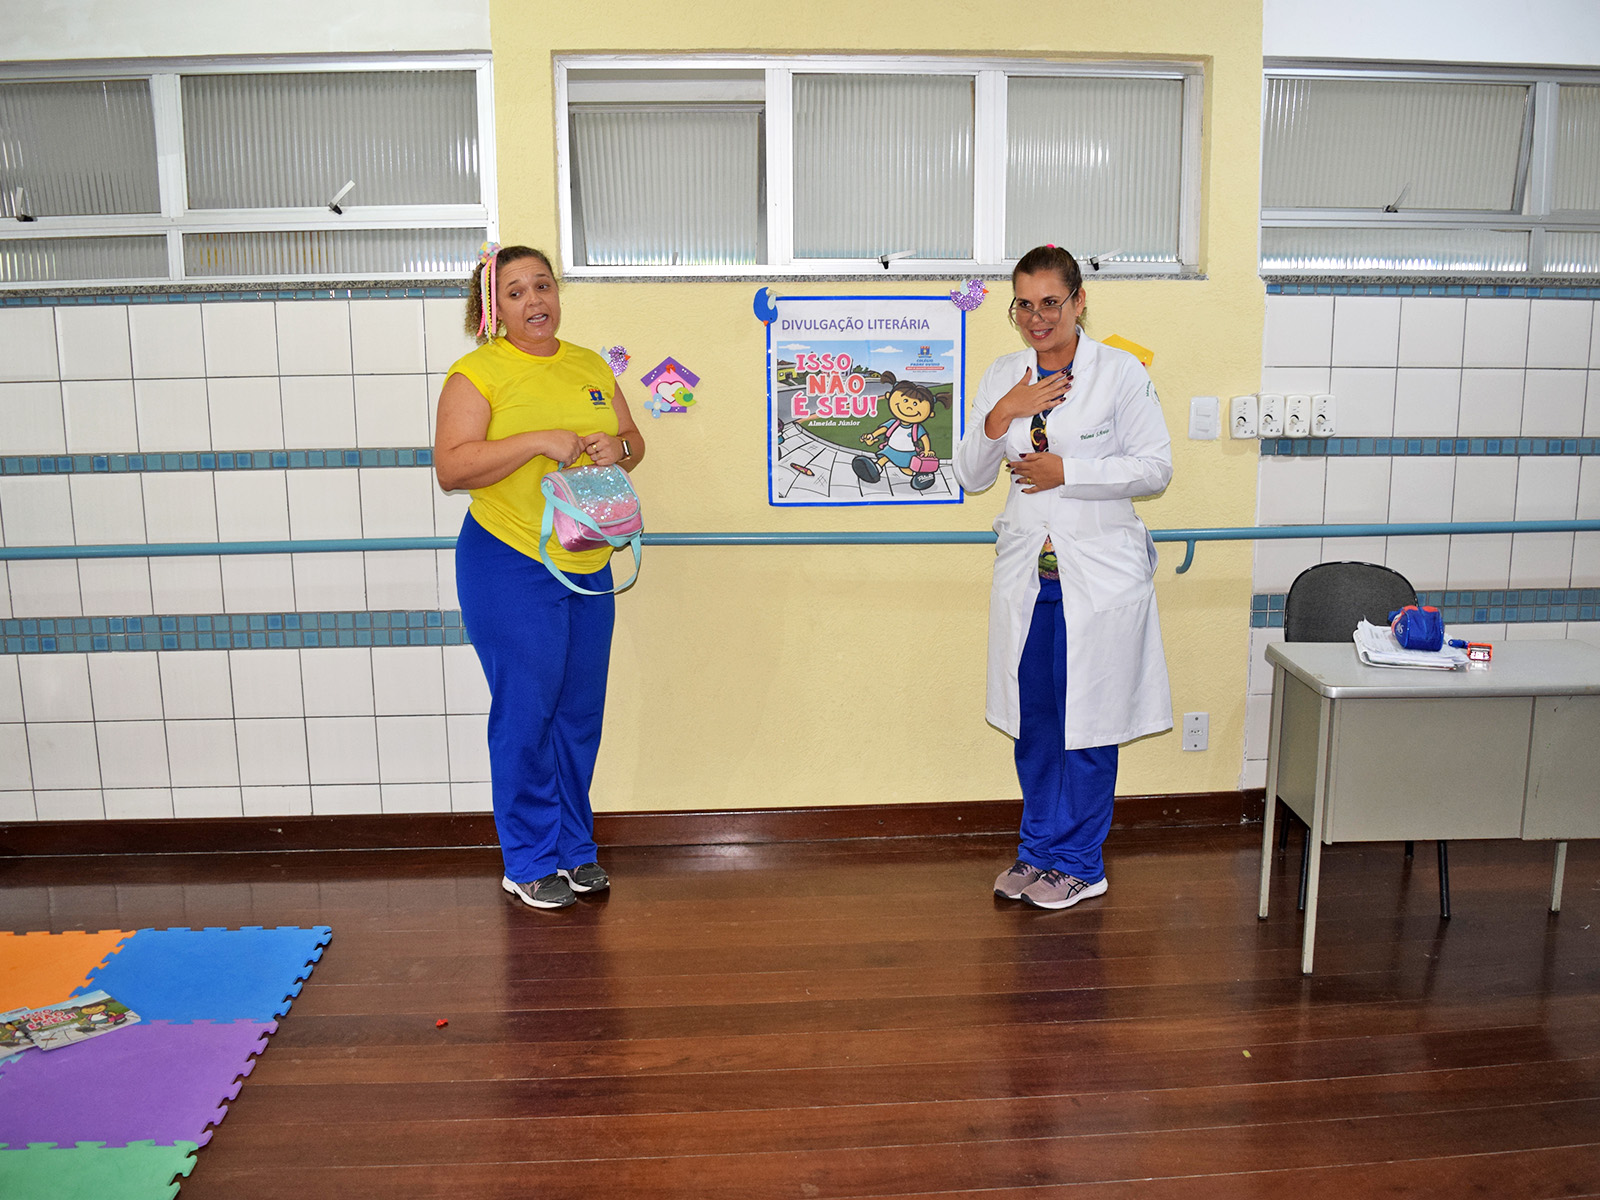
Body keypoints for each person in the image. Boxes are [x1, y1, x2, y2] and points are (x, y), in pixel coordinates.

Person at [952, 245, 1172, 910]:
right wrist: (1004, 411)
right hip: (1032, 580)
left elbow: (1154, 468)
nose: (1037, 317)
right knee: (1038, 724)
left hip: (1098, 580)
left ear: (1079, 301)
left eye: (1051, 302)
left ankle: (1080, 863)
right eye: (1024, 304)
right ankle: (1039, 852)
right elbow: (971, 474)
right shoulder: (1004, 374)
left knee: (1089, 725)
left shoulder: (1119, 372)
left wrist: (1067, 473)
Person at [433, 244, 645, 911]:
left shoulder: (589, 366)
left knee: (578, 715)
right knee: (527, 713)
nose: (535, 300)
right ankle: (527, 860)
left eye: (543, 285)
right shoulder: (476, 373)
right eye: (516, 291)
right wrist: (535, 441)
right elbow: (452, 468)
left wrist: (619, 447)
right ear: (492, 309)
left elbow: (633, 442)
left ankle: (575, 850)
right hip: (508, 561)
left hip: (588, 562)